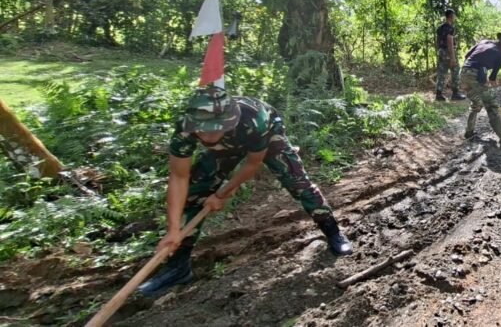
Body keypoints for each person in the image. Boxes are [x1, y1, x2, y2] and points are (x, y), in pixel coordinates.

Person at [137, 87, 353, 297]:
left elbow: (252, 164)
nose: (207, 134)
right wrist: (173, 229)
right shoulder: (186, 126)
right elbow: (179, 177)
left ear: (227, 122)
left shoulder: (253, 119)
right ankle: (178, 268)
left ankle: (332, 231)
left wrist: (222, 193)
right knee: (193, 193)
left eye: (214, 128)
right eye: (202, 128)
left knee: (297, 182)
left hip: (267, 136)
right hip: (225, 148)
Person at [460, 32, 501, 143]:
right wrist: (491, 87)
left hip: (463, 72)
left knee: (476, 103)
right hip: (475, 75)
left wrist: (481, 76)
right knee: (491, 103)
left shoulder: (484, 42)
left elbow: (467, 56)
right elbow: (492, 78)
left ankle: (469, 132)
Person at [435, 9, 465, 101]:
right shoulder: (450, 28)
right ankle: (455, 93)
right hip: (448, 51)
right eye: (454, 16)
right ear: (451, 16)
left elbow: (438, 41)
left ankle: (438, 94)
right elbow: (450, 42)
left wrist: (440, 51)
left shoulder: (440, 28)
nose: (455, 18)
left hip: (441, 51)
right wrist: (452, 57)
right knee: (455, 71)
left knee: (441, 73)